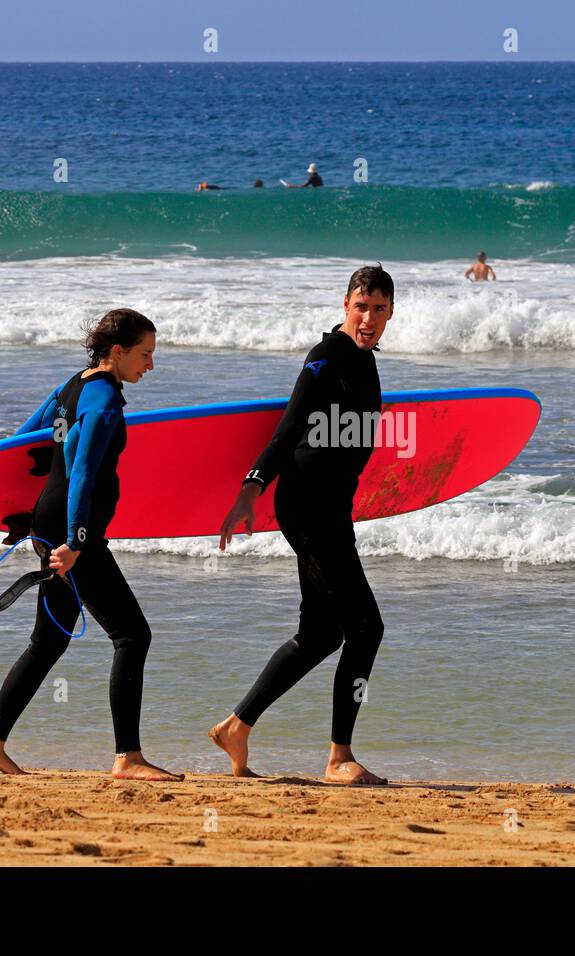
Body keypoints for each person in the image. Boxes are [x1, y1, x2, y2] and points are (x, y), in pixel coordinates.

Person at [0, 308, 183, 782]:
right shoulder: (105, 401)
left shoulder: (73, 385)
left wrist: (15, 513)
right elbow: (84, 471)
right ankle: (127, 757)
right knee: (132, 635)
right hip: (72, 531)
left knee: (49, 640)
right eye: (145, 355)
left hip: (50, 521)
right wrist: (76, 542)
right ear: (117, 352)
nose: (150, 365)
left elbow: (22, 442)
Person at [210, 266, 392, 785]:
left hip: (331, 508)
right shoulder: (326, 355)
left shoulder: (364, 360)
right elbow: (290, 423)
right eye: (361, 307)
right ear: (345, 304)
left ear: (391, 312)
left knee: (320, 635)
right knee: (365, 628)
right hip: (309, 508)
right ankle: (339, 757)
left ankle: (235, 726)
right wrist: (252, 486)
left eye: (379, 309)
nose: (369, 318)